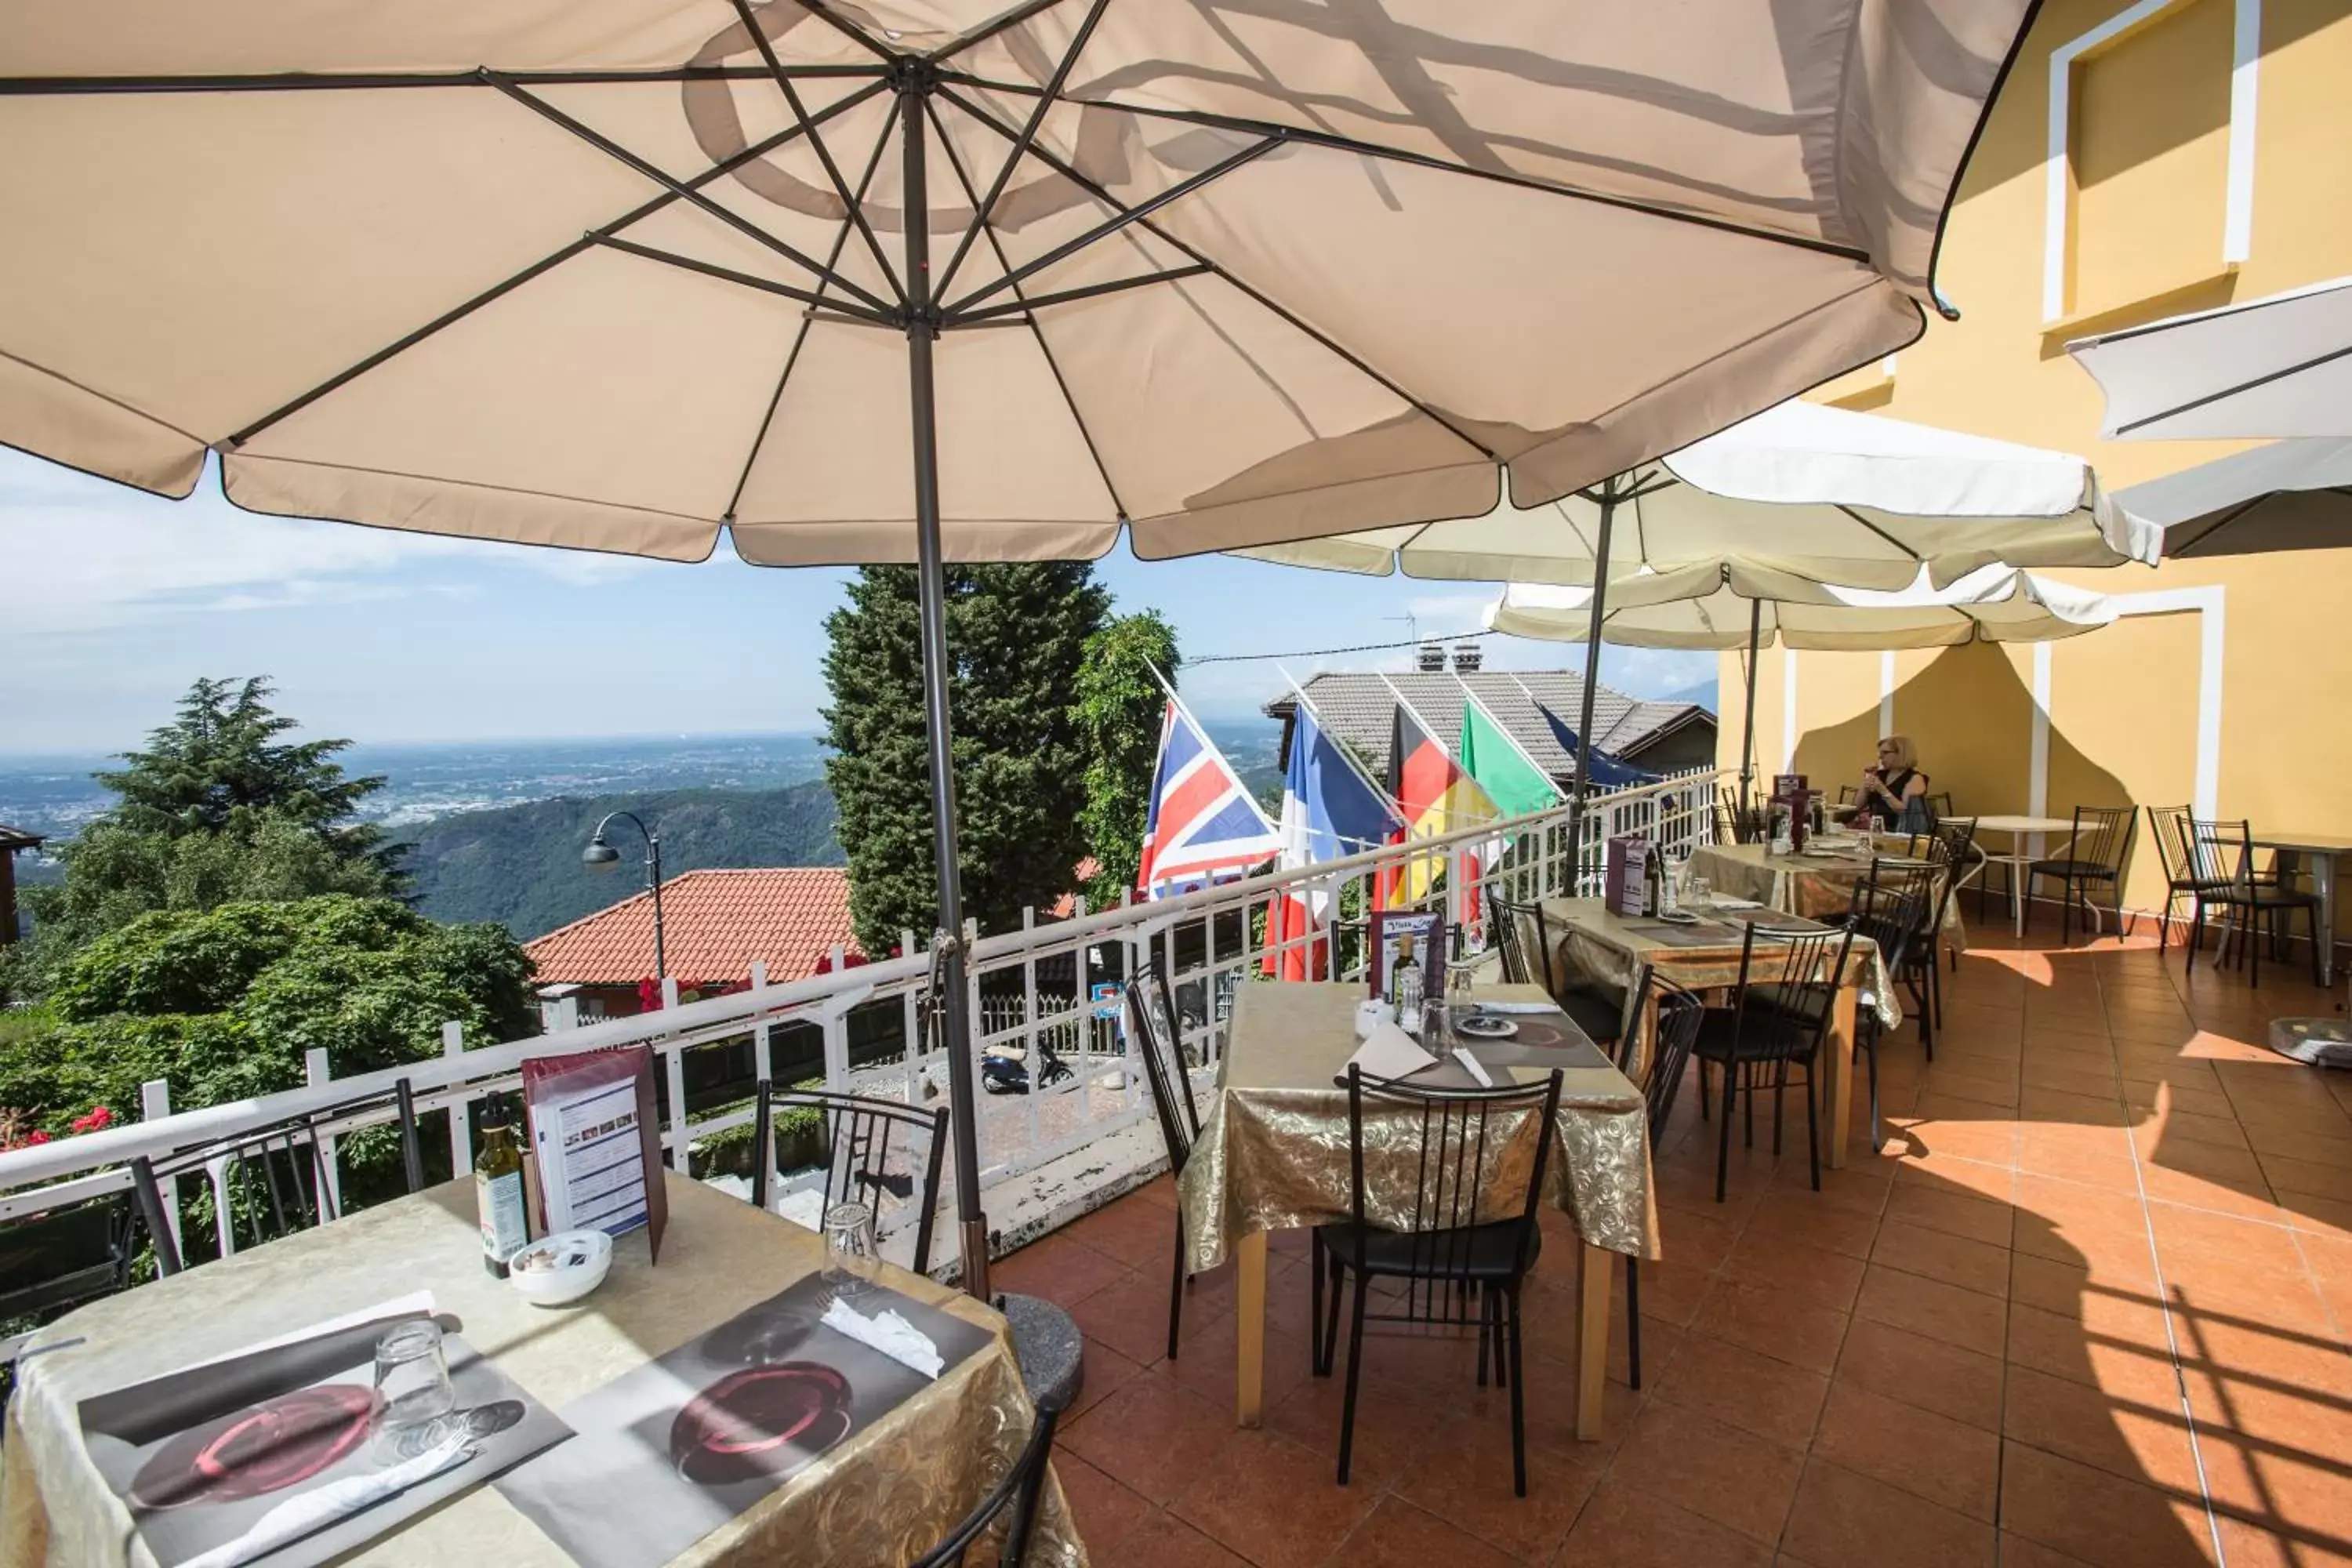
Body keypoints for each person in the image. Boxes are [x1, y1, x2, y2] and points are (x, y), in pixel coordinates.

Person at [1858, 735, 1934, 833]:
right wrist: (1867, 780)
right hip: (1875, 829)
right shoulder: (1880, 774)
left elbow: (1905, 812)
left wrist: (1882, 789)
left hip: (1899, 831)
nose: (1880, 757)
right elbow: (1857, 806)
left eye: (1885, 753)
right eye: (1880, 753)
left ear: (1901, 754)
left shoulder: (1915, 778)